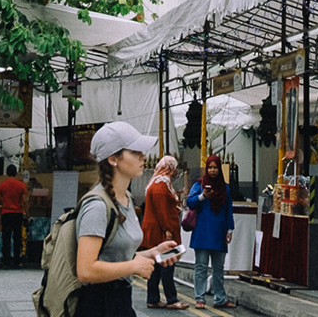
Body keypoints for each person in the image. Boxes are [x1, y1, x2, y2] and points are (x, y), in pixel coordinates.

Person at [74, 121, 177, 317]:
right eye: (135, 151)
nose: (143, 156)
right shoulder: (97, 206)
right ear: (113, 159)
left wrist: (153, 253)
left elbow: (116, 259)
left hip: (120, 302)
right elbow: (85, 270)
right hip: (97, 306)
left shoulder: (126, 199)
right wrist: (133, 267)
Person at [185, 153, 235, 309]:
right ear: (207, 169)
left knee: (218, 268)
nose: (213, 171)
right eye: (210, 167)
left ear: (219, 169)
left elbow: (228, 210)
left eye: (215, 168)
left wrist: (229, 229)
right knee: (201, 267)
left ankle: (220, 298)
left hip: (219, 232)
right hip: (202, 231)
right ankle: (200, 298)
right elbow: (190, 202)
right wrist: (202, 197)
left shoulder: (225, 188)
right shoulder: (199, 185)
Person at [140, 156, 184, 308]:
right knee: (167, 264)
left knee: (156, 266)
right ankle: (171, 299)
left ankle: (153, 299)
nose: (176, 170)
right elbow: (161, 211)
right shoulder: (161, 185)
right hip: (161, 232)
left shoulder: (158, 182)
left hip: (156, 231)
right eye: (175, 166)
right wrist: (168, 230)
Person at [0, 164, 31, 268]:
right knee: (17, 237)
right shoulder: (21, 185)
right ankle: (17, 260)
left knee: (6, 237)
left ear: (6, 173)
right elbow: (25, 202)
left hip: (6, 213)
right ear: (16, 173)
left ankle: (6, 261)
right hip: (17, 214)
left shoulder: (1, 185)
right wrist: (28, 215)